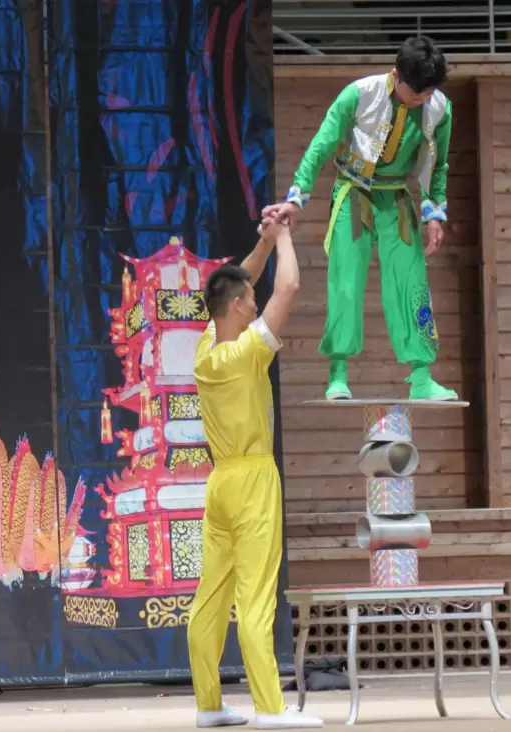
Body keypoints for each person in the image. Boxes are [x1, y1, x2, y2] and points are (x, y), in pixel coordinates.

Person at [262, 35, 458, 402]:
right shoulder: (359, 95)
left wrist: (434, 213)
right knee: (345, 281)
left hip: (396, 196)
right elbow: (321, 145)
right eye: (416, 92)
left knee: (412, 283)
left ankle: (421, 376)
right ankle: (338, 373)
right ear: (396, 75)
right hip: (354, 192)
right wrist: (296, 198)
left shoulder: (439, 109)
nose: (421, 99)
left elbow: (439, 165)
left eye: (428, 92)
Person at [188, 217, 322, 730]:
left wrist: (265, 239)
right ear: (242, 307)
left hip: (221, 482)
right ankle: (270, 707)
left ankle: (208, 705)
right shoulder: (247, 352)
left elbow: (240, 278)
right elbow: (287, 287)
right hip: (253, 481)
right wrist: (285, 237)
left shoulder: (207, 346)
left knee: (211, 599)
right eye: (250, 299)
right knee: (256, 598)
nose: (255, 299)